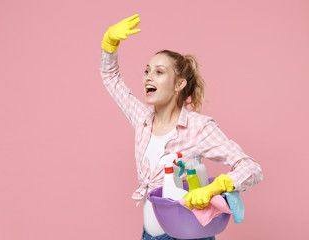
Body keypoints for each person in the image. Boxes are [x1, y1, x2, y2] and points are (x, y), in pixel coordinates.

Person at [100, 14, 263, 240]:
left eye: (159, 72)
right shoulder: (142, 119)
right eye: (147, 71)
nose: (148, 77)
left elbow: (251, 168)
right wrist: (110, 44)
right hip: (150, 235)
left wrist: (216, 187)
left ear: (179, 84)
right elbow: (111, 78)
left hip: (189, 236)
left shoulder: (198, 127)